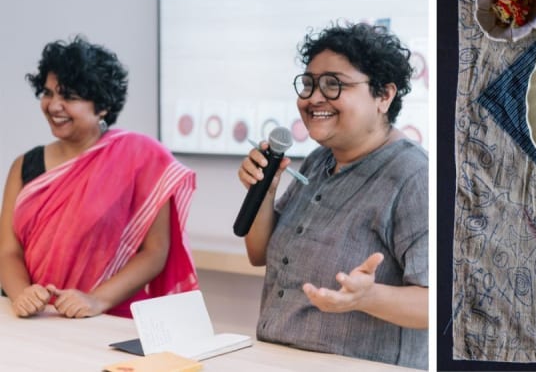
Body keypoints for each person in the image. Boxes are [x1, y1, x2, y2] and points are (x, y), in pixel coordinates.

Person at [237, 22, 428, 369]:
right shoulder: (318, 161)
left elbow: (440, 303)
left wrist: (368, 297)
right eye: (309, 84)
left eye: (333, 84)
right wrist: (264, 189)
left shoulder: (413, 176)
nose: (313, 98)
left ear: (383, 96)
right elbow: (259, 253)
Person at [0, 36, 199, 319]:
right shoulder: (24, 166)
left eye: (69, 97)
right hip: (34, 319)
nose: (54, 106)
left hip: (107, 319)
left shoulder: (140, 157)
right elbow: (8, 251)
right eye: (48, 93)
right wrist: (22, 295)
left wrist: (96, 301)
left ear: (102, 106)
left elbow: (155, 252)